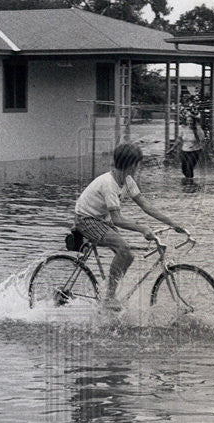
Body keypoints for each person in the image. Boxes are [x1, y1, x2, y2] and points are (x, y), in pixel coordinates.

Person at [74, 142, 188, 310]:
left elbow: (145, 205)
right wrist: (142, 229)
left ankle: (110, 294)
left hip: (101, 218)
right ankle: (109, 299)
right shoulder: (109, 184)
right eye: (137, 163)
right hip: (86, 219)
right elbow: (118, 219)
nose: (138, 166)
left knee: (129, 255)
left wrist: (172, 223)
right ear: (130, 164)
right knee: (124, 249)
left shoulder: (127, 181)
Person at [177, 112, 206, 183]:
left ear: (194, 121)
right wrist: (172, 148)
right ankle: (188, 182)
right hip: (184, 150)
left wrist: (198, 146)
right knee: (184, 168)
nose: (189, 122)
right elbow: (178, 139)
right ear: (186, 121)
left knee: (189, 167)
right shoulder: (183, 128)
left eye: (191, 121)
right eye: (188, 120)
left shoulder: (198, 130)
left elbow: (203, 141)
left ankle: (190, 184)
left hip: (195, 151)